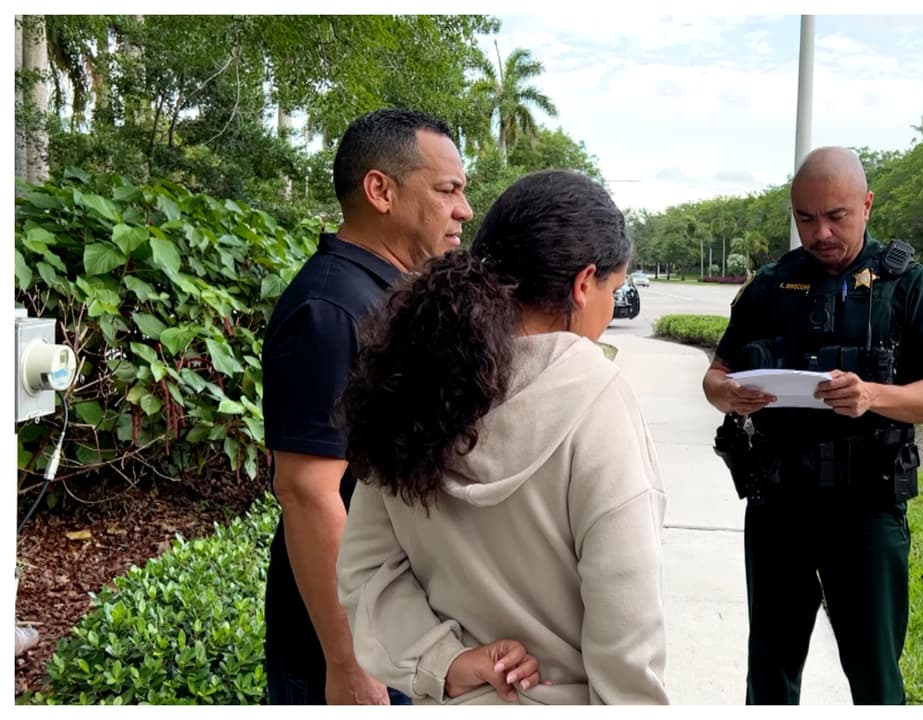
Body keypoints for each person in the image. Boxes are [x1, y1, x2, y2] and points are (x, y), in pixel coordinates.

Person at [335, 169, 669, 705]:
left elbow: (366, 568)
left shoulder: (415, 382)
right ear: (584, 284)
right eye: (615, 288)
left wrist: (442, 660)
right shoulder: (598, 399)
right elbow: (628, 630)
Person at [262, 108, 537, 705]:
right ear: (380, 190)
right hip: (356, 648)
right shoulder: (331, 311)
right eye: (448, 190)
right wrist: (350, 663)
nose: (464, 210)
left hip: (402, 627)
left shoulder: (393, 296)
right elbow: (309, 491)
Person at [702, 146, 923, 705]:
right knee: (770, 675)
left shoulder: (909, 285)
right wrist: (729, 394)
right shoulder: (771, 285)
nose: (819, 232)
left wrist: (872, 396)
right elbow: (715, 376)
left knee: (875, 678)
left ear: (867, 205)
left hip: (866, 511)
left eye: (836, 216)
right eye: (806, 218)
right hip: (778, 507)